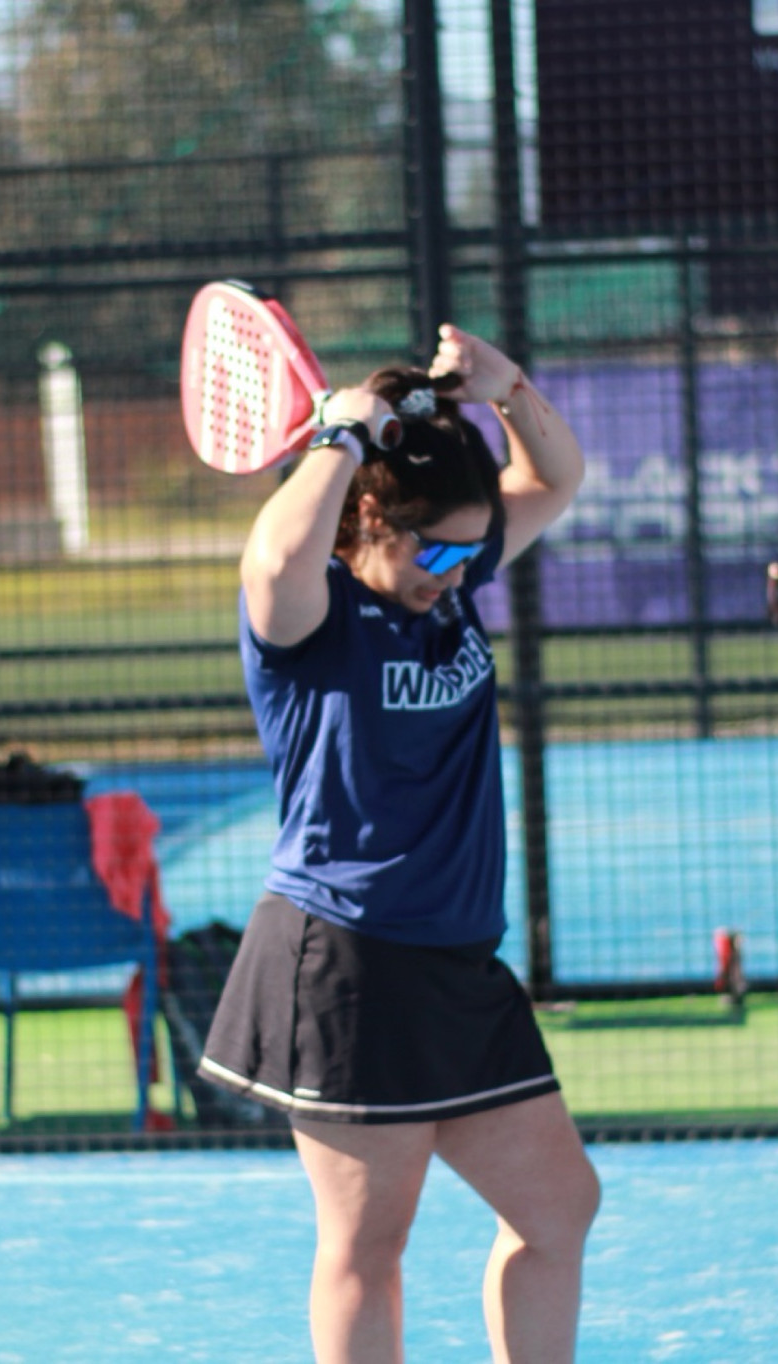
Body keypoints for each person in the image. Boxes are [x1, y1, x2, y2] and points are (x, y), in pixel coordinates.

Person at [199, 324, 599, 1363]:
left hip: (456, 964)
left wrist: (507, 387)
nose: (459, 571)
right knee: (370, 1241)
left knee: (558, 1207)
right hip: (348, 961)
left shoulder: (443, 582)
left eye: (473, 550)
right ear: (371, 517)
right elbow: (274, 554)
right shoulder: (309, 616)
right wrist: (338, 436)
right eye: (439, 551)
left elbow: (556, 479)